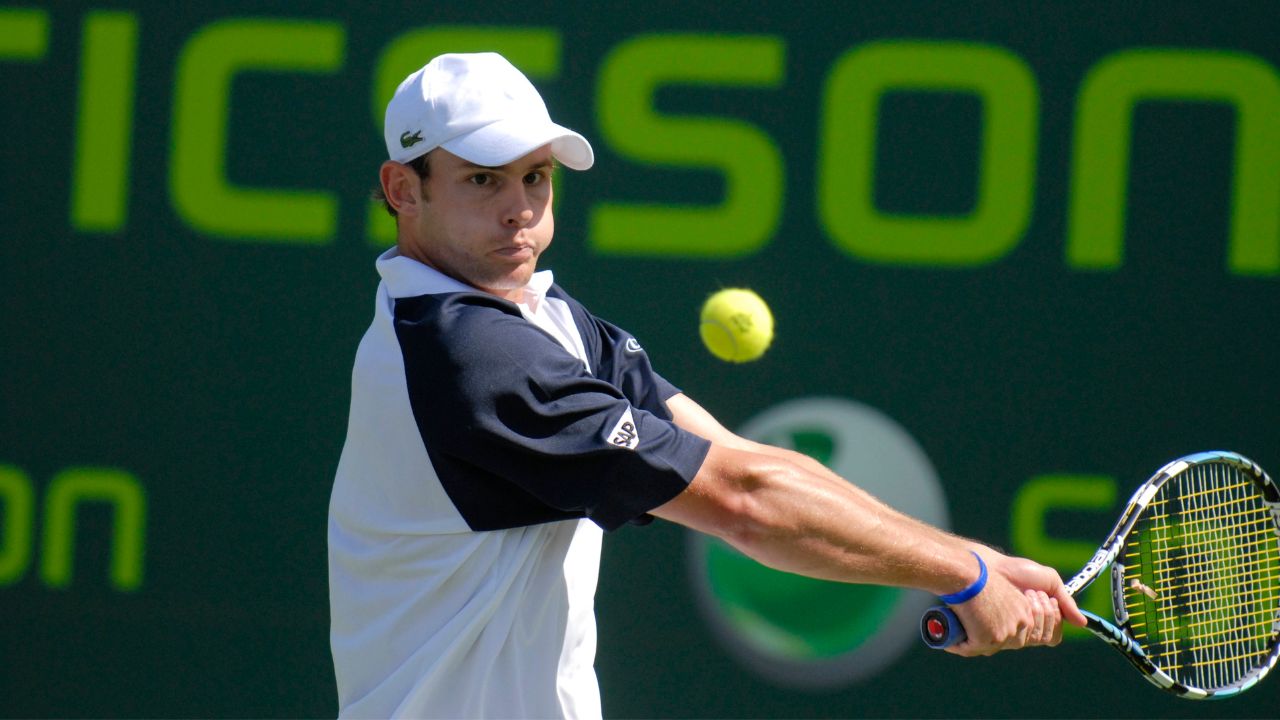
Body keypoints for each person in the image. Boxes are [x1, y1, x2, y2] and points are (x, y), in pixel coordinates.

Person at [327, 51, 1086, 719]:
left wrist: (975, 565)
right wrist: (962, 574)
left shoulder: (540, 317)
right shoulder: (468, 355)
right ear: (404, 189)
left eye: (535, 177)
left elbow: (741, 460)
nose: (520, 209)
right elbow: (744, 503)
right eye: (482, 180)